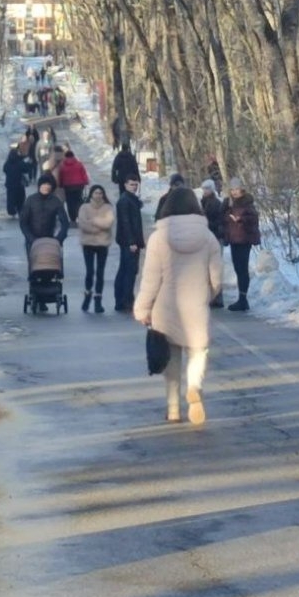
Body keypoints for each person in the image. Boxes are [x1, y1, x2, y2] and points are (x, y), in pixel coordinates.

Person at [134, 187, 222, 424]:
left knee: (171, 360)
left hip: (166, 307)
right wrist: (208, 295)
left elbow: (150, 279)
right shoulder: (208, 238)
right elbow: (217, 278)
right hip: (196, 305)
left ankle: (173, 409)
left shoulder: (158, 238)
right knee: (198, 351)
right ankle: (194, 387)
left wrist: (142, 309)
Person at [221, 177, 260, 312]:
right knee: (238, 269)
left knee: (242, 269)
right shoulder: (229, 203)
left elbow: (253, 219)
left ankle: (243, 299)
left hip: (244, 239)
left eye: (236, 189)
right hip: (233, 239)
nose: (234, 192)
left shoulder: (247, 202)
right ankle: (241, 298)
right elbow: (222, 217)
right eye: (232, 189)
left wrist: (241, 219)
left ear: (242, 189)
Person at [76, 184, 115, 313]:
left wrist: (93, 220)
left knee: (100, 272)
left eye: (100, 193)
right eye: (96, 193)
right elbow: (83, 224)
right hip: (88, 243)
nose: (98, 195)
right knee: (89, 271)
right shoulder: (84, 207)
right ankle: (87, 295)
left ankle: (98, 298)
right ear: (91, 194)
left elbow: (108, 223)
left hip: (102, 244)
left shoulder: (108, 207)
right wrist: (99, 226)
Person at [113, 176, 145, 313]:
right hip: (129, 242)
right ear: (125, 185)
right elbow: (126, 223)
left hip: (130, 241)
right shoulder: (125, 201)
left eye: (136, 185)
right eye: (132, 184)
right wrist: (132, 241)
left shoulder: (129, 199)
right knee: (129, 271)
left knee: (127, 270)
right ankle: (126, 300)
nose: (134, 187)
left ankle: (123, 300)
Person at [19, 173, 70, 257]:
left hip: (49, 239)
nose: (46, 186)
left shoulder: (55, 201)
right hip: (32, 240)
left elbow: (65, 222)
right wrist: (31, 239)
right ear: (39, 186)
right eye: (44, 184)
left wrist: (59, 239)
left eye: (48, 184)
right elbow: (23, 222)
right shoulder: (31, 200)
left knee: (53, 265)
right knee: (34, 265)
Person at [199, 179, 225, 307]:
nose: (205, 191)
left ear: (212, 189)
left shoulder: (216, 203)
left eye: (207, 188)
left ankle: (218, 297)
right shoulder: (202, 203)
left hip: (214, 238)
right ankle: (210, 296)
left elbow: (220, 222)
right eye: (203, 188)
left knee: (215, 269)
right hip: (205, 238)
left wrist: (207, 224)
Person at [57, 150, 90, 224]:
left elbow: (60, 176)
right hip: (79, 186)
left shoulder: (62, 166)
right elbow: (84, 173)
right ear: (73, 156)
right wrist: (86, 181)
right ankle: (79, 214)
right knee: (78, 201)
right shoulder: (79, 164)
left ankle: (72, 218)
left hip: (68, 187)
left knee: (70, 203)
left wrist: (60, 184)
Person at [2, 141, 29, 217]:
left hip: (10, 184)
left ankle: (11, 211)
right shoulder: (19, 163)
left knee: (10, 198)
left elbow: (4, 169)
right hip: (19, 184)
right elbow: (26, 169)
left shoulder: (8, 163)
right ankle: (20, 210)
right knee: (20, 199)